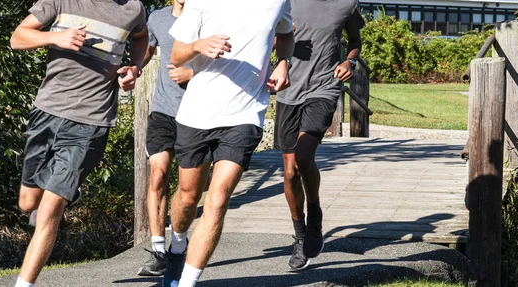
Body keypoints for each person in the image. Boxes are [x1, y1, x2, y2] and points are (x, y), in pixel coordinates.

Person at [9, 0, 147, 286]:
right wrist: (54, 37)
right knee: (28, 203)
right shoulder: (61, 0)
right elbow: (17, 37)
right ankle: (70, 192)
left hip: (91, 121)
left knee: (49, 209)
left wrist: (134, 67)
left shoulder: (133, 8)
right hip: (47, 112)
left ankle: (24, 283)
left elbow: (141, 36)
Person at [162, 0, 294, 286]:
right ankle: (177, 245)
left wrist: (284, 63)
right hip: (197, 113)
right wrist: (199, 45)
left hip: (246, 113)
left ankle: (188, 281)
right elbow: (176, 54)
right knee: (187, 196)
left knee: (219, 198)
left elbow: (285, 33)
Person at [274, 0, 365, 271]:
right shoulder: (287, 2)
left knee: (303, 157)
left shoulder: (347, 4)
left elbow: (355, 41)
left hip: (324, 88)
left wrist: (350, 60)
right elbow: (269, 34)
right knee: (289, 173)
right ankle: (300, 234)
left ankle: (314, 212)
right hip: (288, 91)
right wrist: (279, 59)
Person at [136, 0, 194, 277]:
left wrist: (192, 73)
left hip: (197, 114)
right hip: (162, 111)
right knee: (157, 176)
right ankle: (159, 250)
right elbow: (145, 49)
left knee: (187, 189)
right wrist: (133, 68)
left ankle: (179, 245)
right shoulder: (157, 18)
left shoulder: (206, 16)